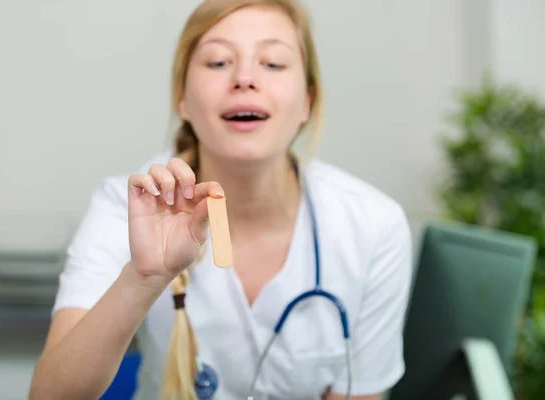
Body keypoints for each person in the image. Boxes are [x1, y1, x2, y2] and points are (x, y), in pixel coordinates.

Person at [29, 0, 413, 399]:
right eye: (217, 62)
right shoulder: (128, 204)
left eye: (274, 64)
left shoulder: (374, 224)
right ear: (183, 99)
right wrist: (143, 278)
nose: (244, 78)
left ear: (306, 103)